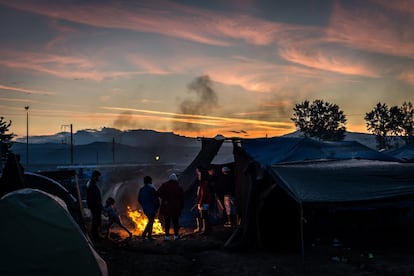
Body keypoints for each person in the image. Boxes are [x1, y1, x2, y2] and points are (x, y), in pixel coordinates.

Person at [157, 173, 184, 241]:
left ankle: (167, 236)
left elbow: (158, 193)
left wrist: (165, 199)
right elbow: (182, 198)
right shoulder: (179, 187)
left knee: (167, 223)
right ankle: (176, 236)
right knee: (175, 222)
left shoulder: (165, 185)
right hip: (176, 208)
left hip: (167, 208)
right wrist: (181, 206)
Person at [138, 175, 160, 240]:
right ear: (150, 181)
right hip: (152, 208)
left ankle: (147, 235)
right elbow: (156, 199)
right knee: (151, 221)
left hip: (146, 208)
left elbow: (139, 199)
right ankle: (146, 235)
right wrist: (157, 206)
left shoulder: (142, 189)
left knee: (150, 221)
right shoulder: (152, 189)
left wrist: (144, 205)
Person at [195, 166, 212, 235]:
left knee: (204, 216)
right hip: (203, 202)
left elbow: (203, 194)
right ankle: (202, 229)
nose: (198, 176)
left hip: (204, 203)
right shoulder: (202, 184)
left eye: (199, 174)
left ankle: (205, 230)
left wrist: (200, 203)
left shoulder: (204, 184)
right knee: (201, 215)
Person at [86, 170, 103, 240]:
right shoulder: (91, 185)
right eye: (98, 177)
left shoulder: (91, 184)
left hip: (94, 205)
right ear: (95, 177)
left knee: (96, 220)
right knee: (96, 220)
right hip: (95, 206)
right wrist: (99, 205)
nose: (99, 178)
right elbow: (93, 197)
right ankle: (95, 236)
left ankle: (95, 234)